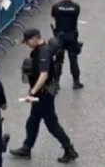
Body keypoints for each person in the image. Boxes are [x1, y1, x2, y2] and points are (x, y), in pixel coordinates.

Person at [9, 28, 79, 163]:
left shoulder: (44, 52)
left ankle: (69, 150)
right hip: (42, 93)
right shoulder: (40, 50)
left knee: (52, 125)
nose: (27, 44)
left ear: (35, 38)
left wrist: (33, 92)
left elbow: (44, 74)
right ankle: (27, 148)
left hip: (43, 94)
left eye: (28, 41)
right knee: (32, 122)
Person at [49, 0, 83, 89]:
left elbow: (53, 16)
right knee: (73, 59)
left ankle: (56, 82)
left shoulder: (56, 6)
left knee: (58, 60)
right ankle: (76, 82)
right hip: (71, 36)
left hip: (59, 36)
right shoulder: (76, 7)